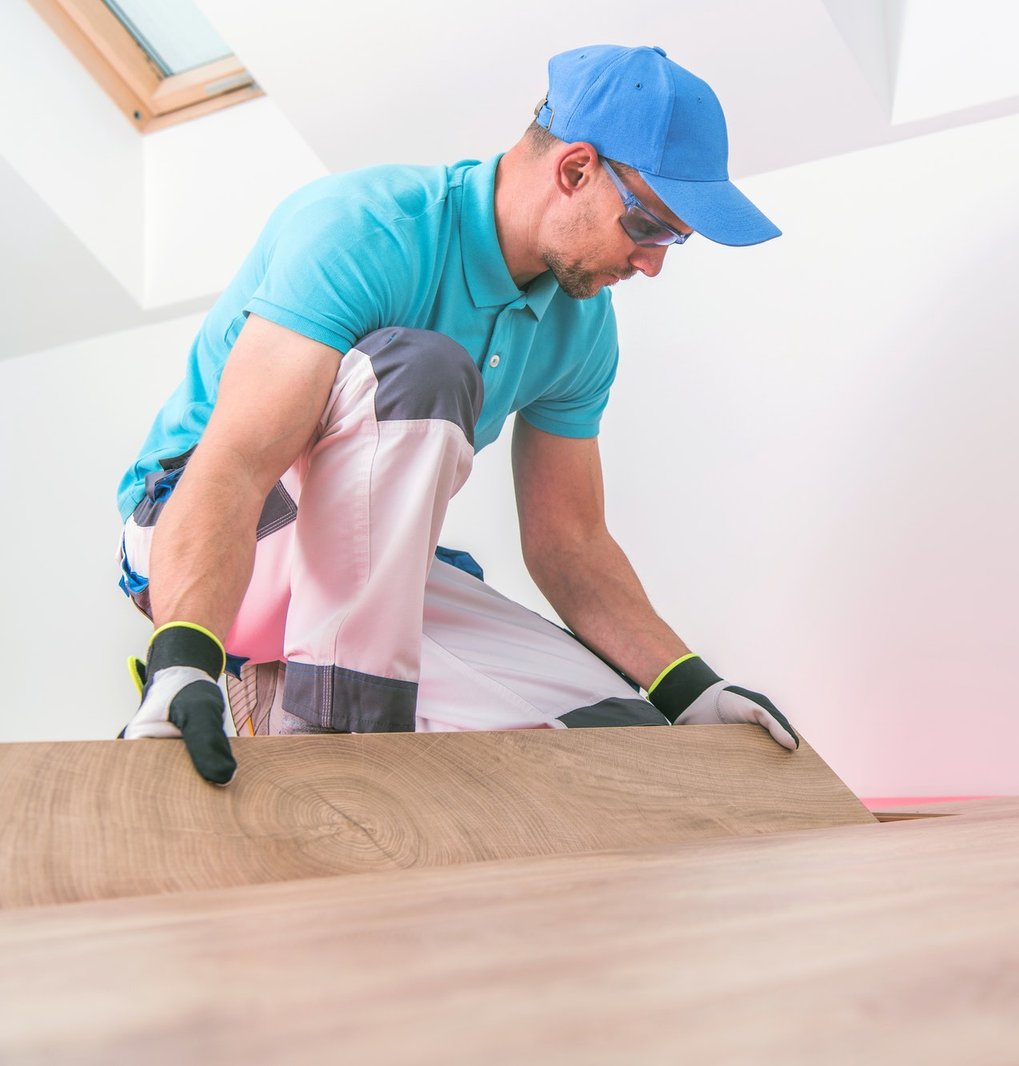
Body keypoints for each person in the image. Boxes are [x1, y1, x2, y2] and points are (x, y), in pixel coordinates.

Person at [114, 44, 798, 785]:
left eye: (675, 240)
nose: (653, 263)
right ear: (575, 171)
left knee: (618, 738)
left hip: (368, 575)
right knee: (424, 371)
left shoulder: (582, 325)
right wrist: (182, 659)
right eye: (647, 228)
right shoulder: (365, 230)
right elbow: (237, 466)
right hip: (208, 532)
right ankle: (329, 740)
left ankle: (323, 692)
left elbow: (568, 539)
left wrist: (692, 690)